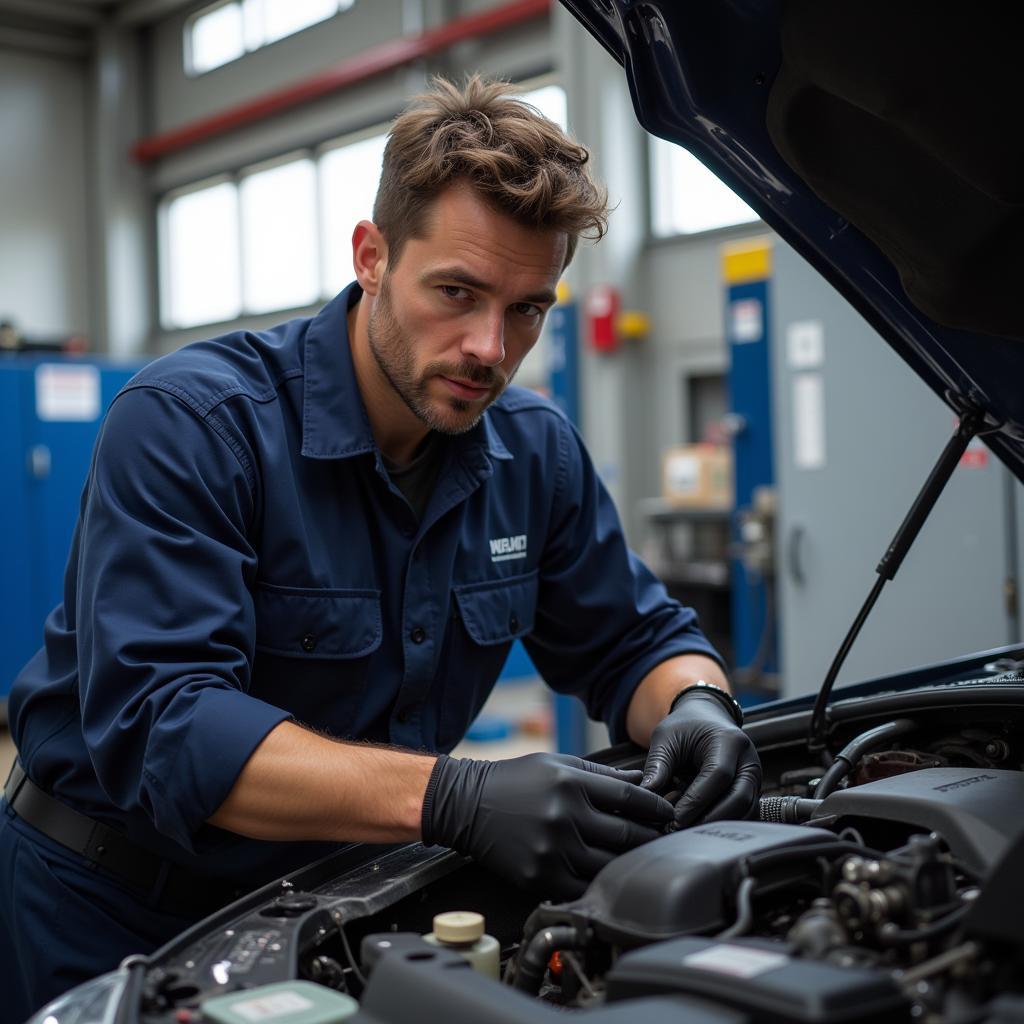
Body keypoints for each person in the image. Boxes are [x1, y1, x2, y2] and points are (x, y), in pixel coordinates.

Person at [0, 76, 760, 1018]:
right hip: (114, 906)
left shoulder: (535, 451)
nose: (490, 345)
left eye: (528, 308)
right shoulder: (194, 424)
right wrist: (457, 797)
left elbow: (636, 639)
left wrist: (697, 703)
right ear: (371, 256)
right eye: (458, 291)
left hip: (346, 899)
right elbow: (170, 729)